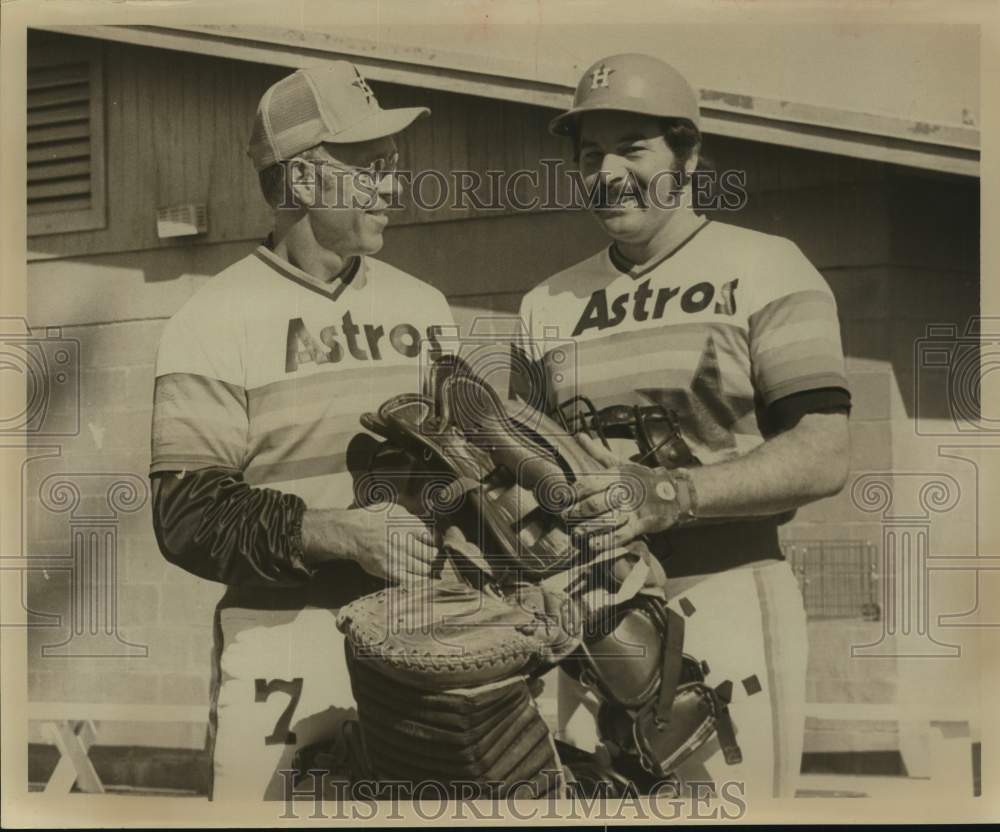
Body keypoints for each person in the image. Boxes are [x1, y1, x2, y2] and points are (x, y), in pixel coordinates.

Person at [515, 53, 851, 801]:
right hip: (589, 606)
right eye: (589, 155)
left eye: (632, 148)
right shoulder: (547, 303)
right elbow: (528, 475)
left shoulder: (766, 266)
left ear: (689, 155)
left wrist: (671, 493)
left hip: (726, 584)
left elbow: (824, 453)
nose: (607, 172)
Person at [149, 63, 455, 800]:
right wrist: (343, 534)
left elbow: (463, 480)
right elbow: (186, 514)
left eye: (392, 166)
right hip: (283, 633)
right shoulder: (212, 318)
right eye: (371, 167)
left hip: (418, 630)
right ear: (309, 180)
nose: (393, 186)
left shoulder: (426, 307)